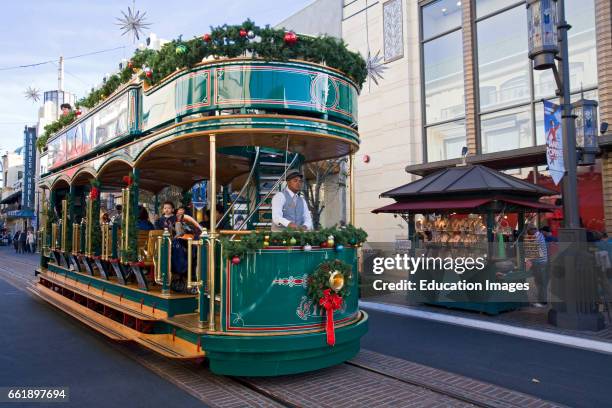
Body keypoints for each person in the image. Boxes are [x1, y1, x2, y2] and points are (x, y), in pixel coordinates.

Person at [526, 224, 548, 307]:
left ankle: (542, 302)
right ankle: (542, 300)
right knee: (540, 282)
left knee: (540, 282)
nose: (528, 233)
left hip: (539, 263)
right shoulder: (540, 235)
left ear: (532, 230)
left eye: (528, 231)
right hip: (542, 262)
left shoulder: (535, 237)